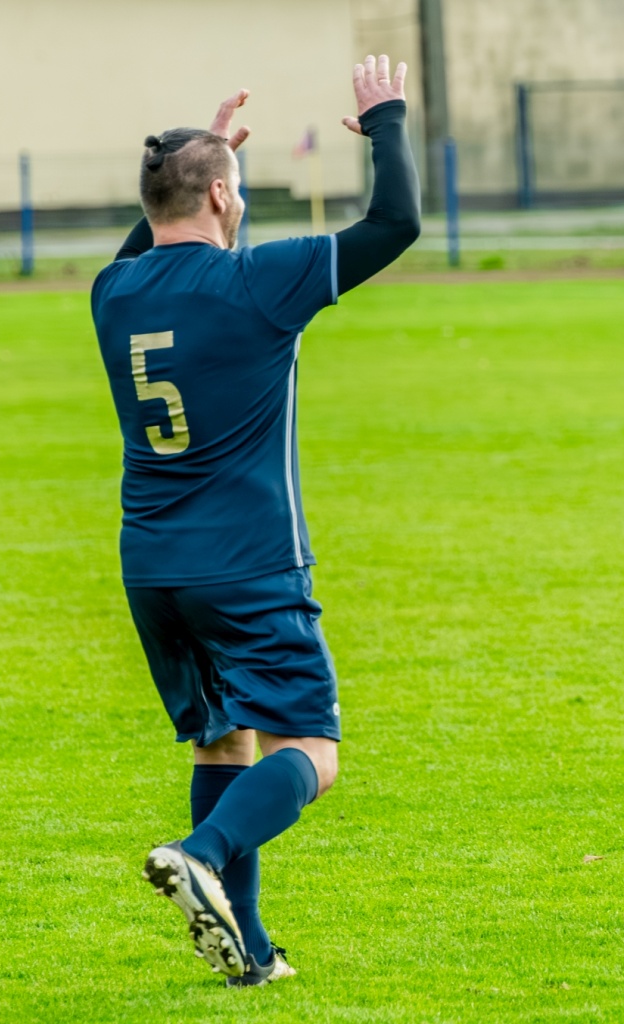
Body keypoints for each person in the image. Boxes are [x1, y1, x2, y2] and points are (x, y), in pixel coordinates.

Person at [89, 56, 420, 982]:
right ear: (223, 197)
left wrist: (197, 159)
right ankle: (199, 854)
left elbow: (150, 240)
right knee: (310, 751)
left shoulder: (112, 294)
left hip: (152, 568)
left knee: (223, 740)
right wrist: (387, 120)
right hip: (247, 565)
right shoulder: (259, 283)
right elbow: (396, 223)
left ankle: (252, 953)